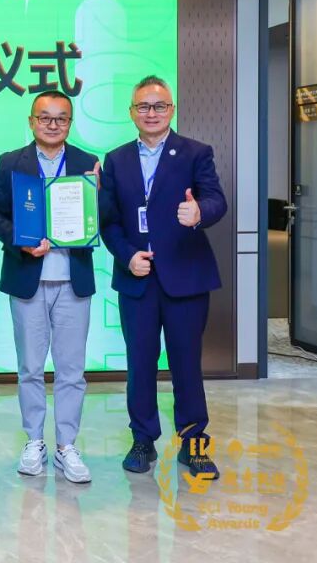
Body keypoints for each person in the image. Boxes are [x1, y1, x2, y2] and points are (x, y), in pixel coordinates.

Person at [98, 75, 227, 478]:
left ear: (172, 109)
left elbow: (217, 199)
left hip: (186, 277)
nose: (151, 113)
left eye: (159, 106)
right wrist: (127, 256)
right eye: (143, 106)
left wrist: (200, 212)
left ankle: (194, 444)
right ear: (131, 112)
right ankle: (142, 440)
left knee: (187, 363)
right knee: (140, 364)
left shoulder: (195, 153)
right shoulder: (116, 160)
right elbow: (108, 220)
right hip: (138, 277)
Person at [0, 90, 100, 484]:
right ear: (32, 121)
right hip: (28, 279)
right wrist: (20, 241)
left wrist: (98, 195)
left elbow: (102, 218)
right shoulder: (10, 162)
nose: (53, 125)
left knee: (71, 370)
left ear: (70, 123)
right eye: (45, 117)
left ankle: (66, 445)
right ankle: (34, 440)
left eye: (61, 118)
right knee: (30, 368)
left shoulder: (88, 163)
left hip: (73, 279)